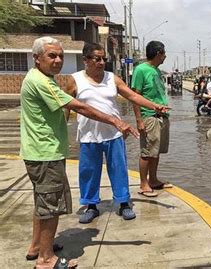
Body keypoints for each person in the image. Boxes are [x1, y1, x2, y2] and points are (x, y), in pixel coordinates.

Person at [21, 36, 138, 269]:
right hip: (45, 152)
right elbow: (79, 107)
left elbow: (129, 94)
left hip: (44, 150)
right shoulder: (43, 82)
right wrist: (116, 121)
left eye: (60, 56)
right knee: (51, 206)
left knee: (43, 203)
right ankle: (46, 260)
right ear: (37, 58)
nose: (57, 60)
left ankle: (37, 246)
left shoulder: (44, 79)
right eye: (51, 56)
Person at [64, 43, 169, 223]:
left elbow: (132, 96)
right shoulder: (74, 80)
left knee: (119, 170)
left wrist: (153, 105)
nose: (101, 62)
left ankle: (123, 204)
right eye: (97, 59)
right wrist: (61, 131)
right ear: (86, 60)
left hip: (114, 134)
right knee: (89, 172)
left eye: (104, 59)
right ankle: (91, 206)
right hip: (89, 136)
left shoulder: (112, 78)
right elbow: (66, 106)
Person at [132, 41, 173, 197]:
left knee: (156, 152)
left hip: (161, 116)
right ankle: (143, 184)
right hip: (148, 116)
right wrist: (139, 120)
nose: (165, 56)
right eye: (164, 53)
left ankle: (153, 180)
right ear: (158, 53)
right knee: (147, 151)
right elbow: (135, 96)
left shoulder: (156, 71)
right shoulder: (141, 70)